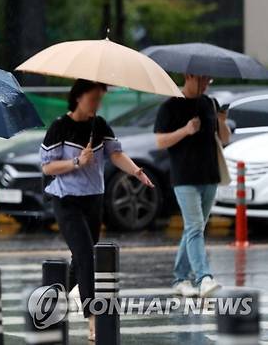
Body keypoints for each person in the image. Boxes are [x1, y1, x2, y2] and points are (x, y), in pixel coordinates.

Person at [40, 79, 154, 342]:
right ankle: (93, 318)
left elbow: (115, 154)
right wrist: (78, 161)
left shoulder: (99, 125)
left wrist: (136, 171)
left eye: (100, 99)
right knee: (85, 254)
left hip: (94, 199)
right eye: (93, 98)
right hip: (66, 199)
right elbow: (47, 167)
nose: (96, 104)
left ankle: (50, 301)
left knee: (80, 259)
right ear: (78, 97)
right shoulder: (60, 127)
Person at [154, 74, 230, 298]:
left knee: (194, 228)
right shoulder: (170, 106)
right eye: (202, 80)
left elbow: (224, 139)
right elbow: (159, 142)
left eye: (209, 80)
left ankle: (180, 278)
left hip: (209, 176)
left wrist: (222, 120)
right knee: (195, 226)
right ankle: (204, 277)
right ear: (188, 76)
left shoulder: (209, 103)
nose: (206, 84)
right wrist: (185, 131)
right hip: (184, 178)